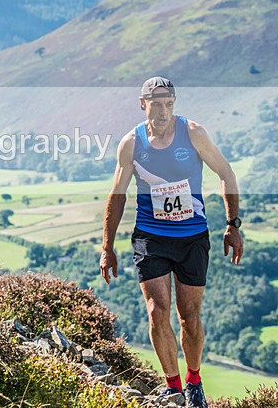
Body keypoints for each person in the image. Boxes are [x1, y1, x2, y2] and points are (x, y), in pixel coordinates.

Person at [99, 77, 244, 408]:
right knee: (157, 310)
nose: (163, 111)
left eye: (169, 104)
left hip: (192, 237)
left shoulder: (193, 133)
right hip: (150, 237)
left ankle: (194, 380)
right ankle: (172, 386)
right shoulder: (131, 144)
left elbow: (226, 173)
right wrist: (107, 247)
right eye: (156, 104)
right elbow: (117, 194)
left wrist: (232, 224)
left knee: (189, 317)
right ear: (142, 104)